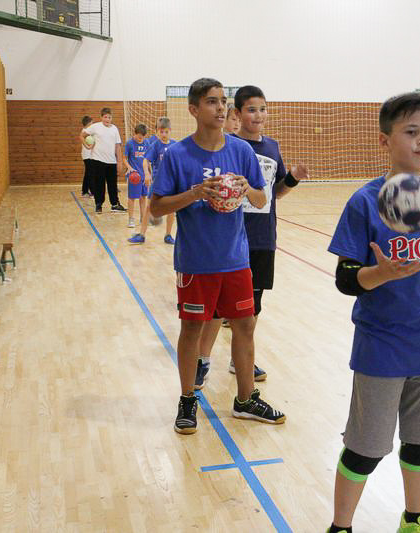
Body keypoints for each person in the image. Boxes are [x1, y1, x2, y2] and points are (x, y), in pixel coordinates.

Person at [325, 92, 420, 533]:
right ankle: (341, 527)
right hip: (381, 348)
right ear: (385, 140)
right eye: (411, 132)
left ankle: (414, 520)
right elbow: (345, 278)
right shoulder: (364, 202)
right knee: (366, 450)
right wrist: (381, 273)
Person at [149, 77, 286, 435]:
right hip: (196, 261)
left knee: (245, 325)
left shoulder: (241, 151)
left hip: (236, 258)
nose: (221, 107)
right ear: (194, 109)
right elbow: (156, 207)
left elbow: (261, 198)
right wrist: (195, 193)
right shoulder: (178, 154)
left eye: (223, 100)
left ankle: (245, 399)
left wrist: (246, 188)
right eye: (212, 101)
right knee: (192, 329)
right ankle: (187, 399)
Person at [194, 85, 308, 391]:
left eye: (263, 109)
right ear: (238, 113)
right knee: (219, 308)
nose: (259, 115)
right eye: (251, 110)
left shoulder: (272, 147)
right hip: (231, 239)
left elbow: (275, 192)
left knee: (252, 306)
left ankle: (240, 359)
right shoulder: (229, 147)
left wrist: (293, 178)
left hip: (262, 237)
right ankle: (202, 360)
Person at [81, 107, 126, 214]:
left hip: (112, 161)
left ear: (112, 118)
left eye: (109, 117)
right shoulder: (95, 127)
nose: (107, 119)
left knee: (113, 185)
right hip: (97, 161)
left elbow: (118, 146)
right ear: (101, 117)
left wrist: (119, 162)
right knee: (99, 184)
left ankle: (114, 205)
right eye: (105, 117)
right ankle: (98, 205)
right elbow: (82, 135)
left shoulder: (114, 129)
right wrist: (87, 146)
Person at [143, 117, 178, 243]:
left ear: (170, 131)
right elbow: (145, 160)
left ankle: (168, 235)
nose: (163, 134)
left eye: (166, 132)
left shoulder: (175, 145)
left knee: (171, 209)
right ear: (157, 131)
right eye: (161, 132)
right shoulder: (155, 145)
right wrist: (147, 174)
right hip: (157, 181)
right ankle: (141, 234)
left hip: (171, 182)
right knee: (149, 207)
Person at [124, 124, 151, 238]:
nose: (141, 139)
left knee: (143, 197)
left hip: (144, 175)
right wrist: (129, 168)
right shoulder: (129, 144)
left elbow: (148, 160)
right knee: (132, 198)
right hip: (134, 176)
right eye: (139, 137)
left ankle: (142, 218)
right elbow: (124, 159)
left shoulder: (147, 143)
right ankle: (131, 219)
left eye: (143, 137)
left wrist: (149, 173)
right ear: (134, 134)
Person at [79, 115, 93, 197]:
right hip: (87, 155)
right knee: (90, 173)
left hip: (88, 155)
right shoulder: (85, 131)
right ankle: (89, 191)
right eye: (91, 123)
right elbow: (82, 138)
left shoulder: (87, 131)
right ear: (88, 123)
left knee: (88, 173)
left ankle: (85, 191)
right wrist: (88, 146)